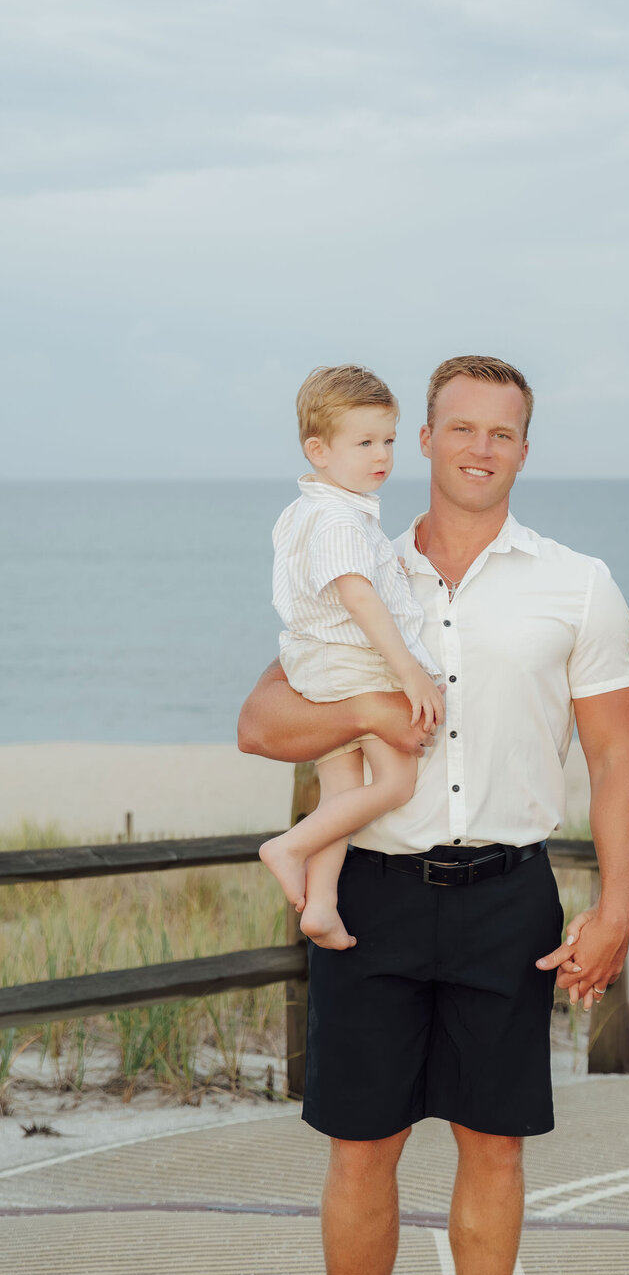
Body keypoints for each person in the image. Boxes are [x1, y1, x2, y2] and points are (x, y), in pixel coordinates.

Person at [237, 355, 629, 1275]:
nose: (478, 447)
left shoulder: (578, 583)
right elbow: (261, 720)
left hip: (510, 895)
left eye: (500, 432)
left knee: (494, 1148)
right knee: (360, 1153)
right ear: (419, 439)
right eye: (458, 427)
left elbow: (616, 763)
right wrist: (373, 699)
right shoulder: (361, 560)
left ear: (523, 446)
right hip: (370, 891)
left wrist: (616, 905)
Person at [259, 365, 445, 950]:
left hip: (316, 663)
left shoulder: (307, 511)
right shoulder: (339, 517)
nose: (381, 455)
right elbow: (359, 598)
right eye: (363, 443)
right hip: (351, 663)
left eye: (387, 440)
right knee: (394, 783)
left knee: (341, 793)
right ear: (318, 450)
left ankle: (320, 905)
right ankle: (287, 846)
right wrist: (411, 671)